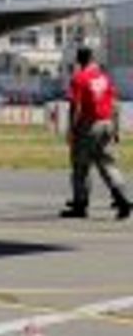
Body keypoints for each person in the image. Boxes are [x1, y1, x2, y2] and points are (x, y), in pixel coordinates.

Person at [60, 47, 131, 219]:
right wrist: (116, 128)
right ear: (93, 59)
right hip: (107, 123)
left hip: (89, 125)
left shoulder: (79, 78)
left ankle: (80, 205)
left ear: (78, 61)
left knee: (80, 166)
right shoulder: (104, 78)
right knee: (107, 163)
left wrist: (71, 129)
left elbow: (75, 106)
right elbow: (115, 105)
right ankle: (122, 198)